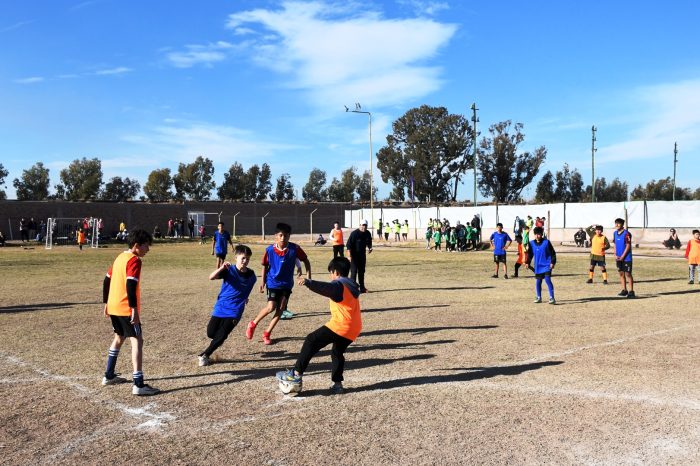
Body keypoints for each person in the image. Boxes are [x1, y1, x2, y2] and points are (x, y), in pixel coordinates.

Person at [276, 257, 361, 395]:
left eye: (331, 273)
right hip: (354, 328)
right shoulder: (352, 284)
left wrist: (309, 283)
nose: (331, 276)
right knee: (337, 352)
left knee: (311, 340)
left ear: (336, 272)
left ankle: (295, 374)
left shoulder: (339, 285)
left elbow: (326, 288)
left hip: (341, 325)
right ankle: (337, 384)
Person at [101, 229, 159, 396]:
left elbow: (107, 279)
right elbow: (130, 285)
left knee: (119, 338)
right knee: (137, 341)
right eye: (146, 245)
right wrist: (133, 309)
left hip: (114, 306)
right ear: (136, 246)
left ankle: (109, 375)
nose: (148, 249)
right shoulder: (134, 260)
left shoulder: (120, 257)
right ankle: (139, 384)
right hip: (126, 308)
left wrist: (106, 302)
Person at [246, 223, 311, 345]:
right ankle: (253, 323)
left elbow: (306, 261)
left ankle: (267, 333)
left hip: (287, 284)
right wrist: (263, 281)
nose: (283, 238)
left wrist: (308, 277)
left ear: (289, 236)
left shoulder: (295, 249)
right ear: (275, 236)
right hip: (273, 282)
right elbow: (265, 266)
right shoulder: (270, 250)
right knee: (271, 307)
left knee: (281, 309)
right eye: (280, 235)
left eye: (285, 236)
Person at [198, 245, 257, 366]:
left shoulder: (251, 275)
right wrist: (221, 268)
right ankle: (217, 342)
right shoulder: (228, 270)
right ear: (236, 257)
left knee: (222, 334)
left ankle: (205, 355)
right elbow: (211, 277)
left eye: (248, 259)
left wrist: (245, 297)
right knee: (211, 333)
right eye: (243, 258)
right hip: (221, 306)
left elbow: (248, 287)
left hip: (235, 309)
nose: (245, 261)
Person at [526, 226, 556, 304]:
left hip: (547, 265)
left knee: (547, 280)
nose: (537, 236)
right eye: (535, 234)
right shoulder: (531, 243)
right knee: (538, 281)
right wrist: (527, 262)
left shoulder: (547, 242)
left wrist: (552, 262)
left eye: (538, 234)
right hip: (538, 266)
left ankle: (552, 298)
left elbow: (553, 253)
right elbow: (530, 254)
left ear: (541, 234)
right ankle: (539, 297)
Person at [346, 219, 373, 293]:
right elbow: (348, 245)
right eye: (362, 225)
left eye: (365, 225)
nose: (364, 227)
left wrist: (370, 247)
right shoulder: (354, 233)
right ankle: (352, 289)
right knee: (354, 272)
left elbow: (369, 242)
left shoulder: (367, 233)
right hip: (354, 256)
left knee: (362, 271)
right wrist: (349, 256)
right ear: (359, 225)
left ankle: (362, 288)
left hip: (362, 255)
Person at [613, 218, 635, 298]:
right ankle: (624, 290)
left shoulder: (627, 234)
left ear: (622, 224)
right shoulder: (615, 233)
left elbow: (628, 246)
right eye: (616, 223)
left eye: (618, 223)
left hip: (626, 258)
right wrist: (615, 254)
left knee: (628, 274)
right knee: (621, 273)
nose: (616, 225)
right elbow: (615, 244)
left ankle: (631, 291)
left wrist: (623, 256)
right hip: (618, 258)